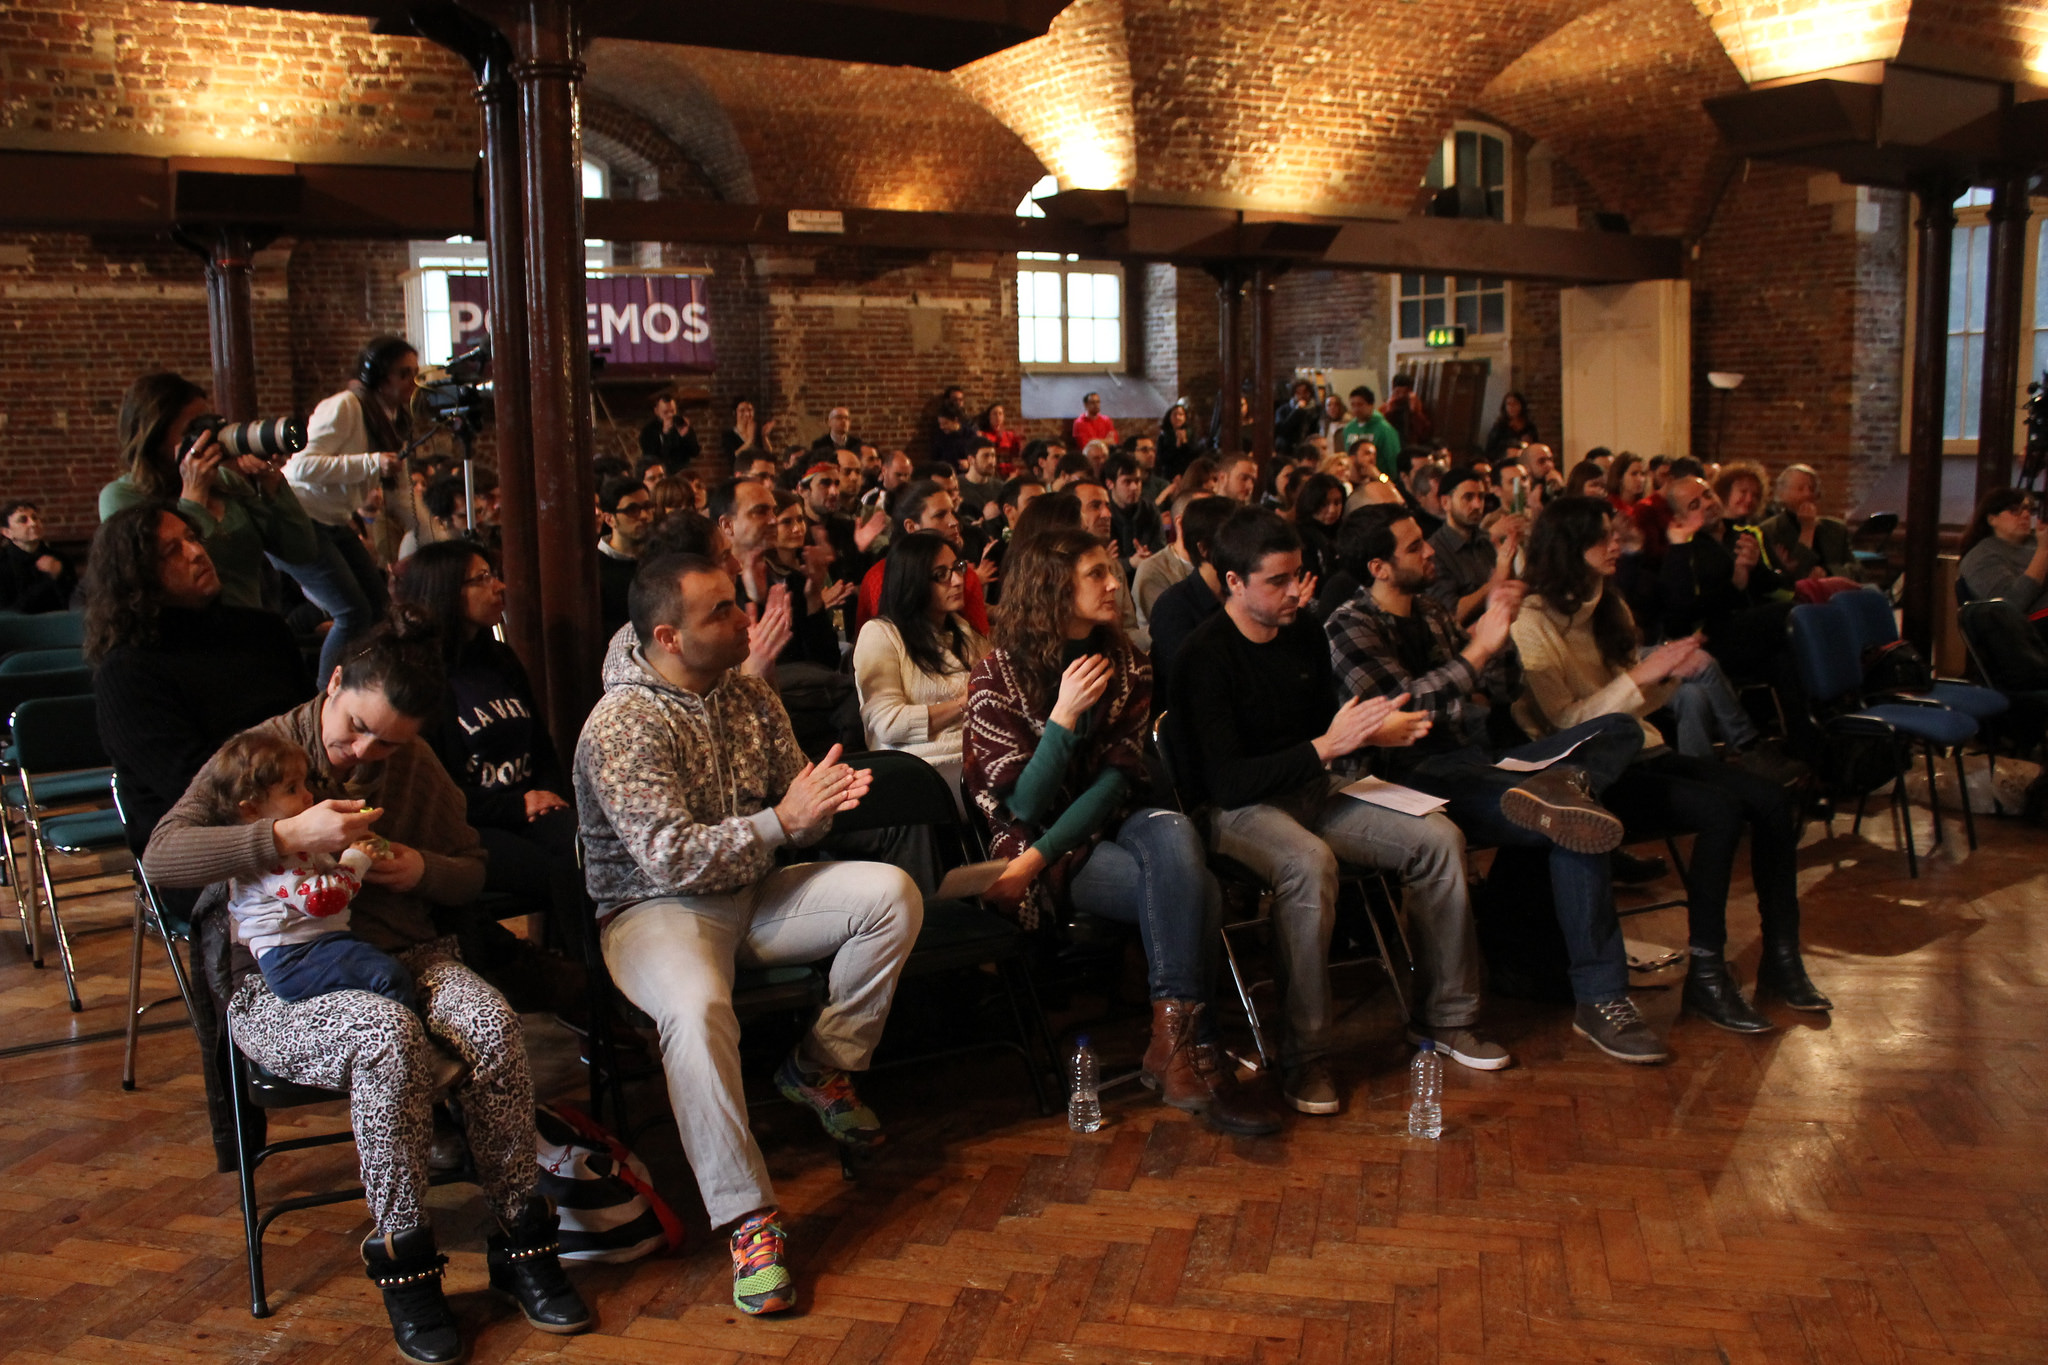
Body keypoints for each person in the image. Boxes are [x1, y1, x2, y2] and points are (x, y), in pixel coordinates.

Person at [143, 611, 592, 1361]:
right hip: (282, 980)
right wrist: (285, 835)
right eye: (356, 729)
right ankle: (406, 1263)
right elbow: (162, 856)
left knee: (490, 1022)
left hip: (405, 952)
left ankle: (523, 1242)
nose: (363, 753)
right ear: (335, 684)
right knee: (387, 1039)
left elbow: (470, 870)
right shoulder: (260, 755)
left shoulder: (414, 764)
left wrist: (423, 870)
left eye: (387, 743)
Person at [575, 551, 922, 1315]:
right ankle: (749, 1219)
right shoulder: (622, 722)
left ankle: (818, 1065)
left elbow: (792, 802)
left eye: (738, 601)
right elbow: (668, 855)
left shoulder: (748, 695)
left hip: (751, 891)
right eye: (723, 611)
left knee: (892, 895)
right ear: (669, 636)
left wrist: (822, 799)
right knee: (696, 1009)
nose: (746, 620)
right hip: (654, 910)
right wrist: (782, 821)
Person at [964, 527, 1279, 1135]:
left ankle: (1174, 1045)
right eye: (1096, 574)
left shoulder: (1128, 663)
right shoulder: (996, 676)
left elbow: (1114, 784)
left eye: (1112, 571)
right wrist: (1062, 718)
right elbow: (1025, 805)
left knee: (1174, 830)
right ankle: (1195, 1051)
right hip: (1038, 840)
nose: (1115, 584)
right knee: (1198, 890)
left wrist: (1036, 858)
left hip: (1102, 824)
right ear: (1052, 587)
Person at [1323, 505, 1663, 1064]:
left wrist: (1499, 639)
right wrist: (1476, 650)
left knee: (1617, 729)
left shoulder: (1432, 611)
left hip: (1475, 760)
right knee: (1577, 828)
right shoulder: (1348, 624)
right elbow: (1401, 707)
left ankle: (1564, 788)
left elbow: (1500, 691)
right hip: (1407, 779)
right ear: (1378, 567)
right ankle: (1602, 998)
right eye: (1414, 547)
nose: (1429, 551)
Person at [1167, 508, 1479, 1110]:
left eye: (1298, 575)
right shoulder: (1203, 655)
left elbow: (1321, 734)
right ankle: (1305, 1057)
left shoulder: (1304, 631)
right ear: (1234, 582)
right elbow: (1226, 782)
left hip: (1314, 787)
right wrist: (1326, 747)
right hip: (1236, 810)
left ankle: (1447, 1017)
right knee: (1309, 863)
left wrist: (1367, 733)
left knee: (1439, 838)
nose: (1295, 592)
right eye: (1277, 581)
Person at [1512, 497, 1832, 1036]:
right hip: (1593, 773)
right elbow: (1567, 723)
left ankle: (1782, 958)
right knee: (1720, 812)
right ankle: (1706, 974)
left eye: (1614, 533)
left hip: (1643, 751)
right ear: (1569, 546)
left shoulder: (1607, 604)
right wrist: (1640, 677)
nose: (1616, 543)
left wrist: (1670, 674)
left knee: (1774, 800)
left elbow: (1637, 705)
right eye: (1603, 536)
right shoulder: (1532, 621)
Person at [193, 729, 461, 1091]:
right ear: (251, 809)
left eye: (304, 784)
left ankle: (414, 1048)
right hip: (292, 959)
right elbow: (322, 901)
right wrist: (356, 860)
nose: (307, 795)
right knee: (387, 975)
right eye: (292, 789)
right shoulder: (271, 861)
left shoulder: (293, 843)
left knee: (380, 969)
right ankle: (422, 1063)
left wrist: (357, 844)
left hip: (319, 947)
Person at [392, 541, 584, 944]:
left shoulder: (499, 658)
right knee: (560, 870)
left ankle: (594, 963)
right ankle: (579, 973)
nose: (500, 586)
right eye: (482, 579)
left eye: (493, 574)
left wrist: (549, 794)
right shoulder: (420, 676)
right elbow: (437, 790)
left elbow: (540, 742)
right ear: (446, 591)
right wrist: (517, 805)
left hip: (529, 807)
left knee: (591, 849)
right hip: (468, 823)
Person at [101, 373, 320, 613]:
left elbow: (302, 550)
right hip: (189, 632)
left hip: (251, 624)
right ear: (154, 439)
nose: (208, 436)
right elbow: (161, 580)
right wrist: (194, 494)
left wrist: (273, 485)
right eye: (193, 429)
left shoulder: (225, 481)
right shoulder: (122, 496)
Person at [288, 337, 433, 680]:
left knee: (380, 608)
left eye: (415, 373)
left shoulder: (393, 419)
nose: (412, 383)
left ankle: (362, 682)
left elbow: (400, 494)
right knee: (351, 611)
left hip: (334, 519)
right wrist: (371, 462)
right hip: (302, 516)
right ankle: (325, 697)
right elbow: (301, 467)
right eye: (403, 374)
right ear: (378, 377)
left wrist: (431, 536)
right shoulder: (345, 406)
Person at [853, 532, 987, 788]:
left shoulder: (963, 631)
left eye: (957, 568)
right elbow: (889, 724)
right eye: (941, 575)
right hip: (921, 770)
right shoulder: (882, 634)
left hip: (976, 757)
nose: (958, 580)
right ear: (912, 581)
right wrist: (964, 704)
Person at [853, 481, 993, 635]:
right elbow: (869, 640)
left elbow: (981, 641)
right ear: (911, 527)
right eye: (940, 515)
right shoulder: (880, 577)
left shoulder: (964, 576)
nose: (954, 522)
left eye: (952, 512)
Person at [1426, 466, 1524, 626]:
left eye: (1481, 497)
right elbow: (1450, 614)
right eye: (1468, 497)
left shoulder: (1487, 540)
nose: (1478, 505)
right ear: (1445, 502)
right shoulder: (1435, 552)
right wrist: (1494, 582)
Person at [1760, 463, 1859, 581]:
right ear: (1782, 494)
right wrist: (1807, 531)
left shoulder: (1837, 529)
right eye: (1800, 489)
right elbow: (1795, 574)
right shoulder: (1770, 530)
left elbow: (1858, 572)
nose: (1807, 494)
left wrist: (1829, 572)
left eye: (1812, 489)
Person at [1959, 487, 2048, 615]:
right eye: (2014, 510)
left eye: (2029, 510)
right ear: (1992, 519)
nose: (2026, 515)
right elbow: (2009, 605)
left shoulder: (2035, 542)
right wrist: (2043, 551)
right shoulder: (1981, 555)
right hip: (2026, 623)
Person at [1133, 486, 1200, 626]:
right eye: (1207, 518)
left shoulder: (1222, 563)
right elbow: (1171, 626)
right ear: (1180, 523)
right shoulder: (1153, 570)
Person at [596, 476, 655, 635]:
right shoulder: (596, 568)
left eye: (647, 506)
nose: (644, 515)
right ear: (609, 519)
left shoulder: (657, 556)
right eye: (632, 510)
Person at [0, 499, 77, 612]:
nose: (33, 523)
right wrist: (49, 578)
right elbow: (9, 612)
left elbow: (73, 602)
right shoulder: (3, 564)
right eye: (23, 520)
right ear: (7, 532)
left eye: (35, 517)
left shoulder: (60, 559)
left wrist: (61, 576)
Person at [1105, 453, 1163, 566]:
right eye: (1127, 482)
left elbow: (1160, 550)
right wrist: (1130, 563)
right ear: (1110, 484)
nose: (1134, 487)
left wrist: (1148, 556)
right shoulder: (1103, 511)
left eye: (1137, 481)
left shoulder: (1149, 509)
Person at [1292, 473, 1346, 585]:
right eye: (1324, 504)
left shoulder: (1345, 531)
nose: (1332, 510)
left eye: (1337, 503)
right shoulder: (1299, 536)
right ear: (1311, 503)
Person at [1337, 387, 1402, 479]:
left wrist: (1384, 480)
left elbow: (1393, 462)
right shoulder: (1349, 428)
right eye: (1353, 405)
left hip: (1380, 479)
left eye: (1360, 405)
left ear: (1371, 405)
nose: (1356, 409)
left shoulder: (1385, 429)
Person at [641, 390, 701, 475]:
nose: (670, 415)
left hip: (681, 473)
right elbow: (650, 456)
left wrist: (686, 436)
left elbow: (695, 452)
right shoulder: (649, 430)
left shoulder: (680, 424)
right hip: (661, 474)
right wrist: (665, 433)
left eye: (673, 411)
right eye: (665, 412)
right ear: (656, 411)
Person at [1483, 391, 1539, 462]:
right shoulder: (1500, 427)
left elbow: (1537, 448)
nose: (1512, 407)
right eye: (1509, 404)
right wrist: (1505, 452)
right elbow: (1489, 451)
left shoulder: (1529, 427)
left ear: (1521, 405)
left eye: (1515, 404)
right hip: (1504, 462)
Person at [1382, 373, 1433, 450]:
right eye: (1398, 392)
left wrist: (1414, 412)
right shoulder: (1386, 407)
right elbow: (1382, 429)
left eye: (1405, 392)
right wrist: (1389, 410)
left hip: (1411, 448)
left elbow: (1425, 433)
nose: (1401, 396)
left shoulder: (1417, 406)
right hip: (1391, 446)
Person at [721, 397, 776, 466]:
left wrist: (764, 436)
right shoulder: (729, 435)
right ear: (735, 413)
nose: (747, 414)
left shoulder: (757, 433)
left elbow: (768, 455)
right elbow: (733, 458)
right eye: (742, 410)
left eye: (750, 410)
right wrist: (750, 440)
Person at [1157, 402, 1195, 477]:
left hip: (1187, 473)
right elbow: (1161, 459)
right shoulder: (1164, 436)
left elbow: (1193, 456)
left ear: (1185, 417)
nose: (1177, 417)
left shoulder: (1191, 434)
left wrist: (1184, 443)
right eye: (1174, 414)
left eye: (1181, 414)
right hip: (1169, 473)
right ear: (1169, 417)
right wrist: (1177, 446)